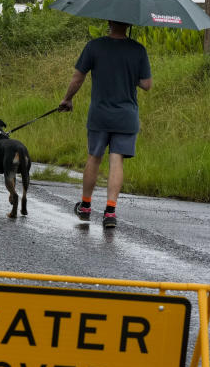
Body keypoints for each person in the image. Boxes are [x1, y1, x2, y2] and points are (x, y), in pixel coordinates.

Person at [58, 20, 152, 229]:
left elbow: (77, 78)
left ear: (109, 22)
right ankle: (110, 212)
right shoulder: (138, 50)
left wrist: (67, 99)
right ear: (128, 24)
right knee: (116, 161)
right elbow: (146, 84)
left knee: (94, 158)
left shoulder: (94, 46)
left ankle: (86, 206)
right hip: (126, 117)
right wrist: (130, 75)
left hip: (100, 115)